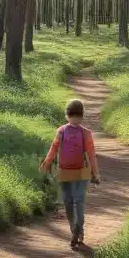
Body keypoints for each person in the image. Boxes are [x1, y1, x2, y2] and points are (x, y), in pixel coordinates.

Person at [40, 99, 100, 249]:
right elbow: (92, 155)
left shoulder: (61, 131)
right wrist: (96, 173)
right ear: (82, 115)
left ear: (67, 114)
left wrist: (46, 164)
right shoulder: (86, 133)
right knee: (79, 202)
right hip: (82, 171)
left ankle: (75, 230)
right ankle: (79, 229)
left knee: (67, 202)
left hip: (65, 171)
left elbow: (53, 149)